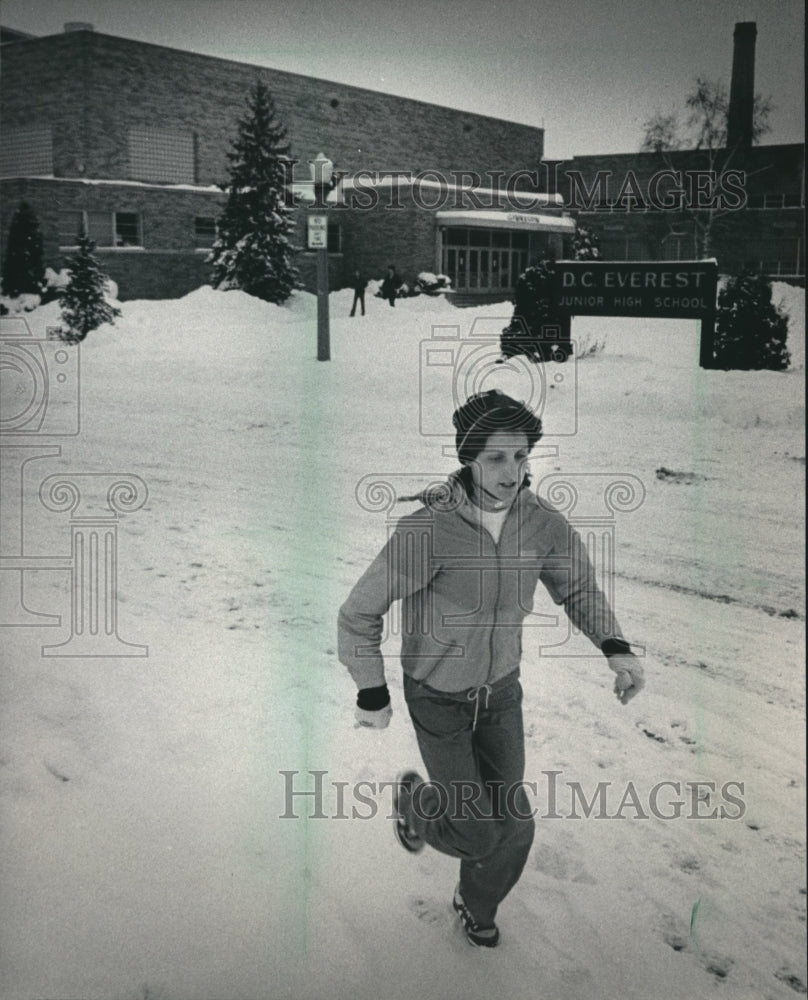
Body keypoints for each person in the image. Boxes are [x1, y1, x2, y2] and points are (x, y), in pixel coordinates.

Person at [337, 389, 645, 948]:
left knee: (515, 826)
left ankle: (475, 904)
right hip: (437, 698)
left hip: (500, 694)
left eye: (522, 456)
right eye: (497, 457)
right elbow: (359, 612)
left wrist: (614, 645)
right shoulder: (428, 530)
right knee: (477, 831)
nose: (512, 471)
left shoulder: (541, 522)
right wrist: (372, 693)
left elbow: (576, 586)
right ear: (468, 457)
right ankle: (419, 804)